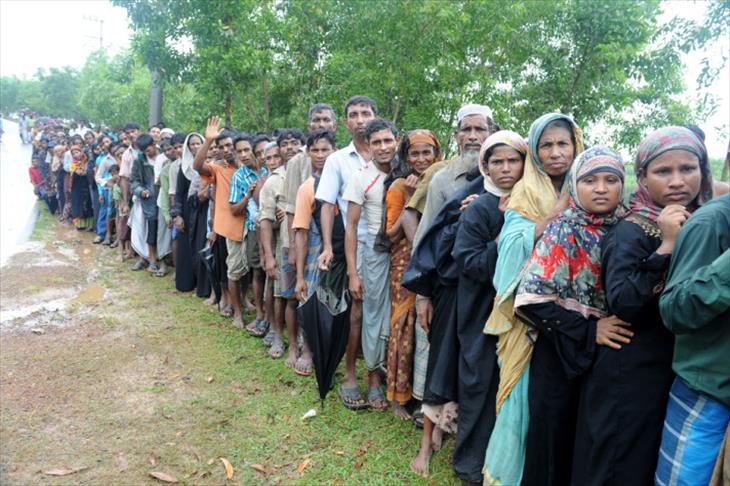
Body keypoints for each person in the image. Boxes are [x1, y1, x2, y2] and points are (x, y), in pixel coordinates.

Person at [512, 146, 627, 486]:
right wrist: (592, 329)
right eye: (590, 180)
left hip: (604, 358)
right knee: (552, 438)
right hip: (559, 352)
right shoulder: (564, 229)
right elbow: (531, 300)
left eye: (611, 180)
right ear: (575, 186)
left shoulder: (628, 228)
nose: (601, 188)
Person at [482, 113, 584, 486]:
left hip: (583, 317)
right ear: (535, 152)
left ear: (576, 145)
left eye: (563, 144)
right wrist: (553, 218)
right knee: (524, 401)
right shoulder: (524, 192)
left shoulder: (592, 182)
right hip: (531, 319)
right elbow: (509, 249)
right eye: (546, 145)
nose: (556, 153)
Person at [449, 130, 527, 483]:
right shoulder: (479, 208)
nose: (506, 168)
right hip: (481, 312)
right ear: (486, 166)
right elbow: (471, 263)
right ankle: (469, 464)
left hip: (520, 316)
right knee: (479, 384)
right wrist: (504, 240)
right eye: (498, 161)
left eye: (514, 160)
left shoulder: (533, 206)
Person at [410, 104, 495, 423]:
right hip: (450, 283)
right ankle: (437, 416)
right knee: (444, 352)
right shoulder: (443, 180)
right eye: (467, 130)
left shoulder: (510, 176)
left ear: (491, 133)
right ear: (457, 135)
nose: (473, 136)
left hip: (490, 285)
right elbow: (425, 239)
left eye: (480, 129)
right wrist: (423, 296)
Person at [651, 142, 728, 486]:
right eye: (664, 171)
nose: (677, 181)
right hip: (709, 392)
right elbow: (674, 310)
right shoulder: (710, 223)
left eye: (686, 169)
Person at [315, 95, 377, 409]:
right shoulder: (338, 160)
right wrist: (327, 247)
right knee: (357, 312)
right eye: (354, 114)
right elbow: (327, 204)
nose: (360, 119)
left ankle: (378, 378)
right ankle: (351, 376)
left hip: (390, 248)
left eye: (366, 113)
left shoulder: (389, 153)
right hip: (356, 246)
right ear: (346, 123)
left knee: (383, 315)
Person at [383, 129, 441, 420]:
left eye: (426, 153)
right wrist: (409, 197)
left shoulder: (443, 181)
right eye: (414, 153)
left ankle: (422, 395)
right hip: (405, 265)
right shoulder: (398, 185)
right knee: (402, 327)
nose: (421, 159)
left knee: (427, 327)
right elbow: (389, 235)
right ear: (406, 157)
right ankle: (396, 396)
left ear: (436, 155)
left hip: (436, 264)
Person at [343, 118, 399, 409]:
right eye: (376, 142)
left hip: (403, 253)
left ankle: (398, 377)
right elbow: (351, 227)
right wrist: (353, 273)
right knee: (372, 315)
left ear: (397, 141)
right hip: (374, 255)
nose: (383, 147)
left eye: (387, 140)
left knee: (398, 315)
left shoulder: (407, 171)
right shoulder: (362, 177)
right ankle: (372, 379)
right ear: (368, 145)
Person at [193, 118, 247, 328]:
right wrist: (207, 141)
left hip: (251, 227)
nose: (225, 150)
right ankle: (237, 313)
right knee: (231, 271)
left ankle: (245, 300)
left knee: (250, 270)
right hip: (227, 228)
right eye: (221, 146)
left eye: (229, 146)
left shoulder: (249, 168)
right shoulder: (218, 168)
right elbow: (197, 165)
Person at [229, 132, 268, 336]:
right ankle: (260, 313)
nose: (244, 154)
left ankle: (271, 314)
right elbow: (234, 209)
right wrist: (248, 195)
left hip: (276, 225)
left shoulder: (270, 166)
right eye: (239, 151)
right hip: (254, 229)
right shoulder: (239, 176)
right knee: (257, 270)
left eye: (247, 150)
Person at [259, 141, 288, 359]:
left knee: (296, 294)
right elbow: (265, 221)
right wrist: (267, 255)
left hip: (303, 241)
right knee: (278, 291)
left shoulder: (306, 171)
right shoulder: (272, 182)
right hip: (280, 243)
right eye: (268, 158)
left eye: (275, 156)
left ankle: (296, 335)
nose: (273, 161)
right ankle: (277, 334)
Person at [130, 134, 162, 273]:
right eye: (144, 152)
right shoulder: (139, 160)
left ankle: (164, 259)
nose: (147, 153)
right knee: (151, 228)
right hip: (149, 200)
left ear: (154, 144)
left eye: (149, 150)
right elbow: (134, 181)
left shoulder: (164, 156)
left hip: (165, 198)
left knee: (165, 229)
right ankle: (152, 259)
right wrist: (140, 191)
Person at [68, 146, 94, 230]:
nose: (75, 155)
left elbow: (87, 172)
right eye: (73, 153)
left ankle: (89, 224)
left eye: (77, 152)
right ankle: (79, 225)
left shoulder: (87, 161)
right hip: (76, 188)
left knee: (87, 204)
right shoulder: (73, 163)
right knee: (78, 204)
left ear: (81, 152)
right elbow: (78, 173)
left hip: (86, 186)